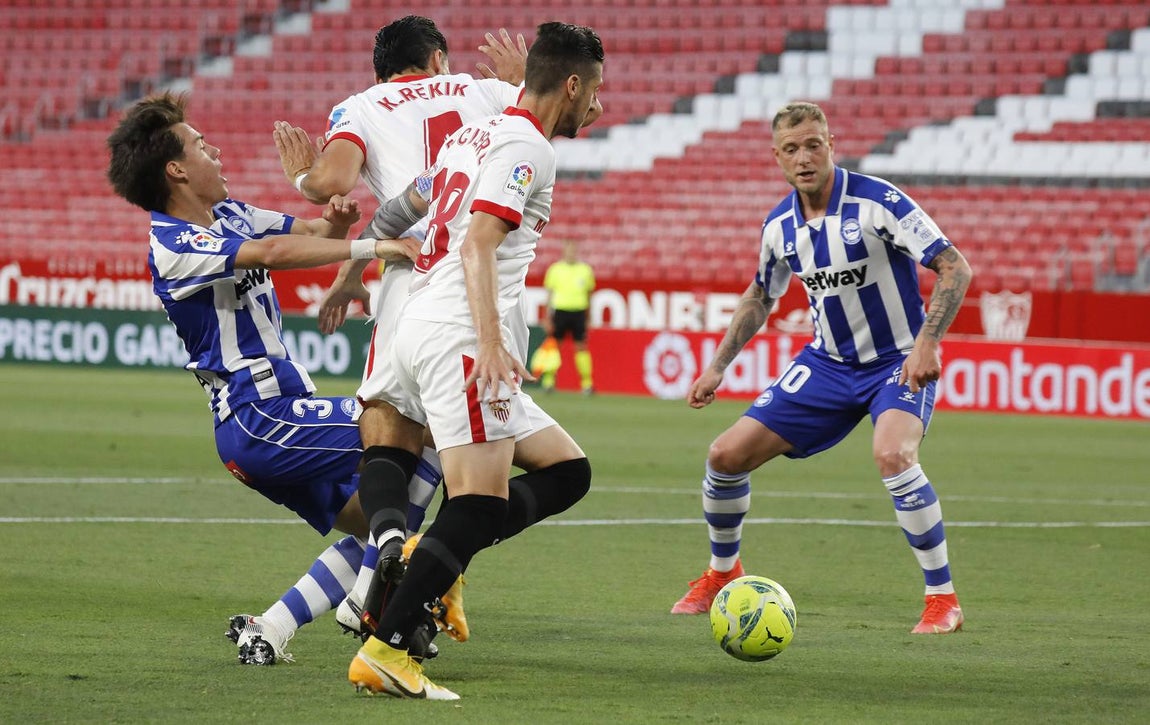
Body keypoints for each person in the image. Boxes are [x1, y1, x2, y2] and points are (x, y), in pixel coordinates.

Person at [104, 92, 422, 665]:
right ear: (176, 169)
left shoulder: (228, 214)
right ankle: (367, 600)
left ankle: (271, 628)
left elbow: (309, 229)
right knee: (412, 431)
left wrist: (335, 218)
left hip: (272, 419)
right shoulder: (172, 243)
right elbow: (273, 252)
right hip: (261, 418)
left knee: (379, 521)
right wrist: (375, 244)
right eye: (202, 145)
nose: (216, 151)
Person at [345, 21, 604, 700]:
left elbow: (410, 206)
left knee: (567, 468)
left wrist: (357, 260)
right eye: (594, 92)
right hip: (461, 333)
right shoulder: (528, 149)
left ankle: (439, 565)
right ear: (571, 85)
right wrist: (491, 340)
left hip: (416, 324)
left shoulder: (472, 135)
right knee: (479, 507)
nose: (597, 108)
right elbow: (480, 241)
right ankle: (389, 648)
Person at [269, 16, 534, 645]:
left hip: (404, 282)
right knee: (457, 458)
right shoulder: (482, 89)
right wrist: (521, 83)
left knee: (391, 437)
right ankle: (380, 595)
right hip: (478, 282)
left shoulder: (359, 107)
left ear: (381, 70)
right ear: (437, 57)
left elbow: (333, 185)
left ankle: (373, 582)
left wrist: (301, 179)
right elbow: (568, 118)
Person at [670, 101, 973, 636]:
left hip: (896, 361)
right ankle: (721, 573)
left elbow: (954, 267)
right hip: (827, 365)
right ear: (777, 157)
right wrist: (718, 366)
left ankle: (942, 598)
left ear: (831, 144)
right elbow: (761, 294)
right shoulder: (779, 226)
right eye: (791, 149)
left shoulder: (879, 202)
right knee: (724, 455)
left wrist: (928, 342)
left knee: (893, 455)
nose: (804, 157)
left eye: (813, 144)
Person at [539, 239, 596, 394]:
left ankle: (587, 384)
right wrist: (547, 317)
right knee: (554, 346)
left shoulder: (585, 270)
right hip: (560, 311)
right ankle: (548, 381)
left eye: (573, 250)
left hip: (579, 311)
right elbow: (549, 296)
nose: (571, 253)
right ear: (564, 251)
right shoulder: (555, 269)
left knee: (581, 346)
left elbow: (589, 294)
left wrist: (589, 316)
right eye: (568, 250)